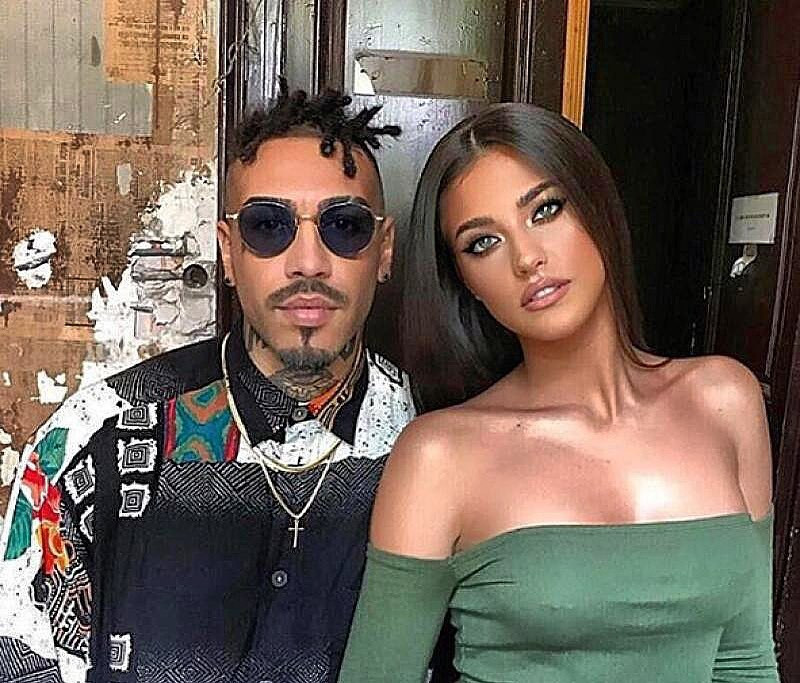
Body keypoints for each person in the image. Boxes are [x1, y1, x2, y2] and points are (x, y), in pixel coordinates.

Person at [0, 81, 446, 683]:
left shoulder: (438, 444)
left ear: (384, 250)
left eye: (344, 226)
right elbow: (23, 658)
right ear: (229, 252)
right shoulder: (97, 437)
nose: (308, 263)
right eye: (268, 226)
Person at [338, 103, 779, 682]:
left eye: (545, 210)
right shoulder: (439, 456)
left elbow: (747, 662)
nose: (527, 259)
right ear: (466, 284)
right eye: (483, 243)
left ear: (596, 207)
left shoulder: (726, 400)